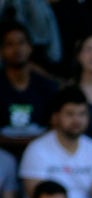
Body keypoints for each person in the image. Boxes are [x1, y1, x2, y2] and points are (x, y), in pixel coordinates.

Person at [19, 85, 92, 198]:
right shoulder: (36, 150)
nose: (76, 120)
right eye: (70, 114)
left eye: (82, 114)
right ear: (55, 117)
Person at [0, 21, 57, 157]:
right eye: (10, 44)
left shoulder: (47, 86)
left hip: (41, 151)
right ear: (1, 50)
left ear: (30, 47)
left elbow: (56, 127)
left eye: (21, 43)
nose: (17, 49)